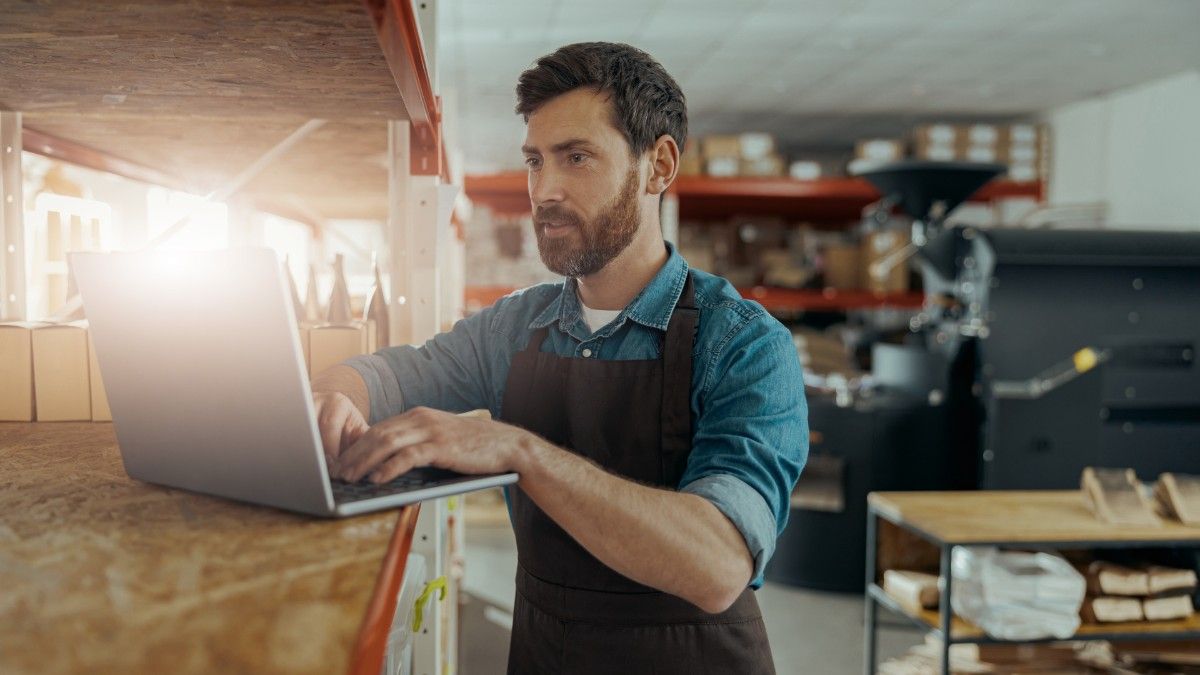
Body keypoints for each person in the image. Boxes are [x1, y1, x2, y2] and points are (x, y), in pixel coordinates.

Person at [311, 41, 807, 675]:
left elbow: (716, 566)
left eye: (576, 158)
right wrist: (338, 393)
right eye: (534, 161)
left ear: (657, 166)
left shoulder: (742, 345)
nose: (543, 191)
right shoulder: (515, 327)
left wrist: (519, 451)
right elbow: (389, 373)